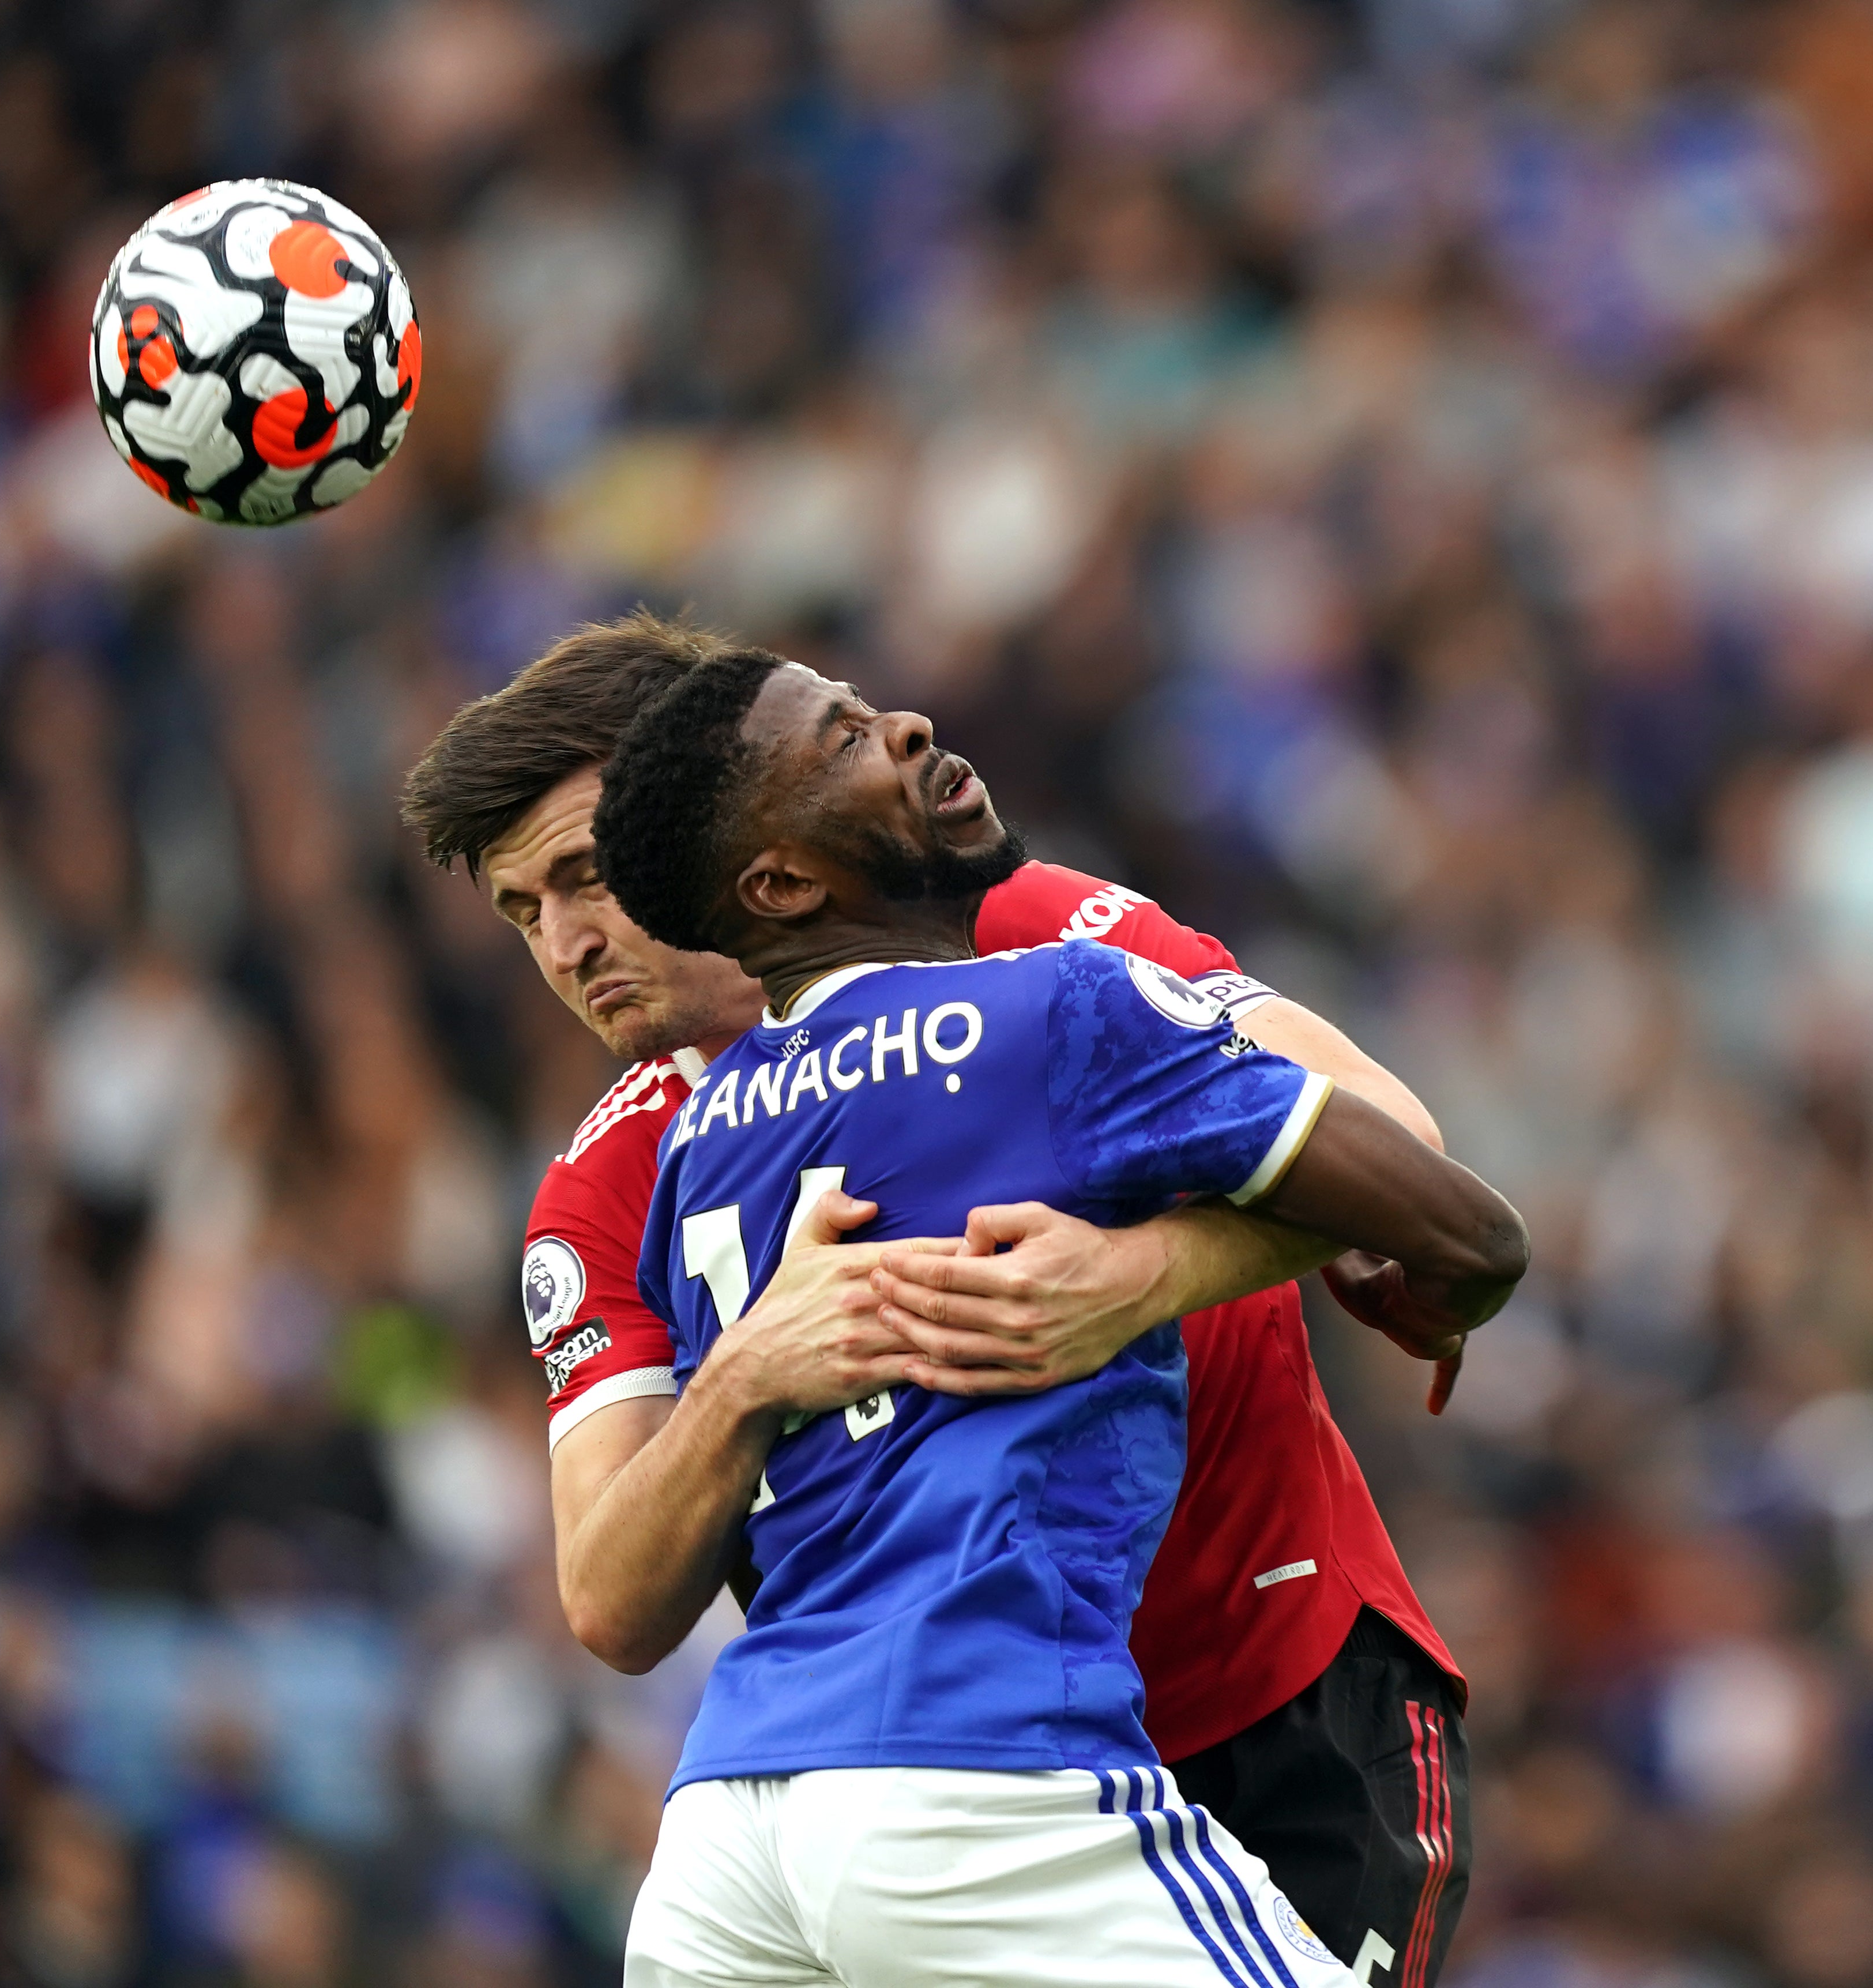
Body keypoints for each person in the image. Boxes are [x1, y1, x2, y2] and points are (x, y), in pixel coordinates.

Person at [398, 615, 1478, 1982]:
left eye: (583, 875)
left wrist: (1145, 1273)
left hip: (1272, 1701)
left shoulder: (1014, 929)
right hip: (957, 1766)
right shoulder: (607, 1186)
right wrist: (743, 1375)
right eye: (521, 911)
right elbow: (611, 1598)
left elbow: (1393, 1130)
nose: (563, 944)